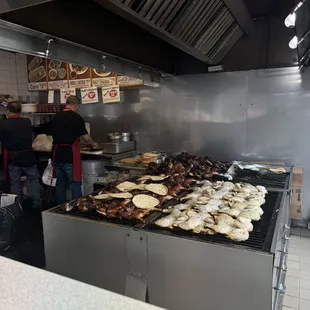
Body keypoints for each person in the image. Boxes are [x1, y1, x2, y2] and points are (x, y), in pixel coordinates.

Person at [51, 96, 98, 205]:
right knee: (75, 183)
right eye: (78, 107)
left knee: (61, 183)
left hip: (57, 155)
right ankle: (76, 207)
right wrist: (94, 144)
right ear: (76, 105)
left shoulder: (56, 116)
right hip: (70, 156)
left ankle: (60, 208)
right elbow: (86, 138)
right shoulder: (76, 117)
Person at [0, 101, 41, 209]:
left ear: (8, 111)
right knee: (34, 180)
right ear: (20, 111)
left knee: (15, 183)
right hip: (28, 156)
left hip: (13, 159)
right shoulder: (27, 121)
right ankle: (37, 204)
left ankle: (17, 207)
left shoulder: (3, 123)